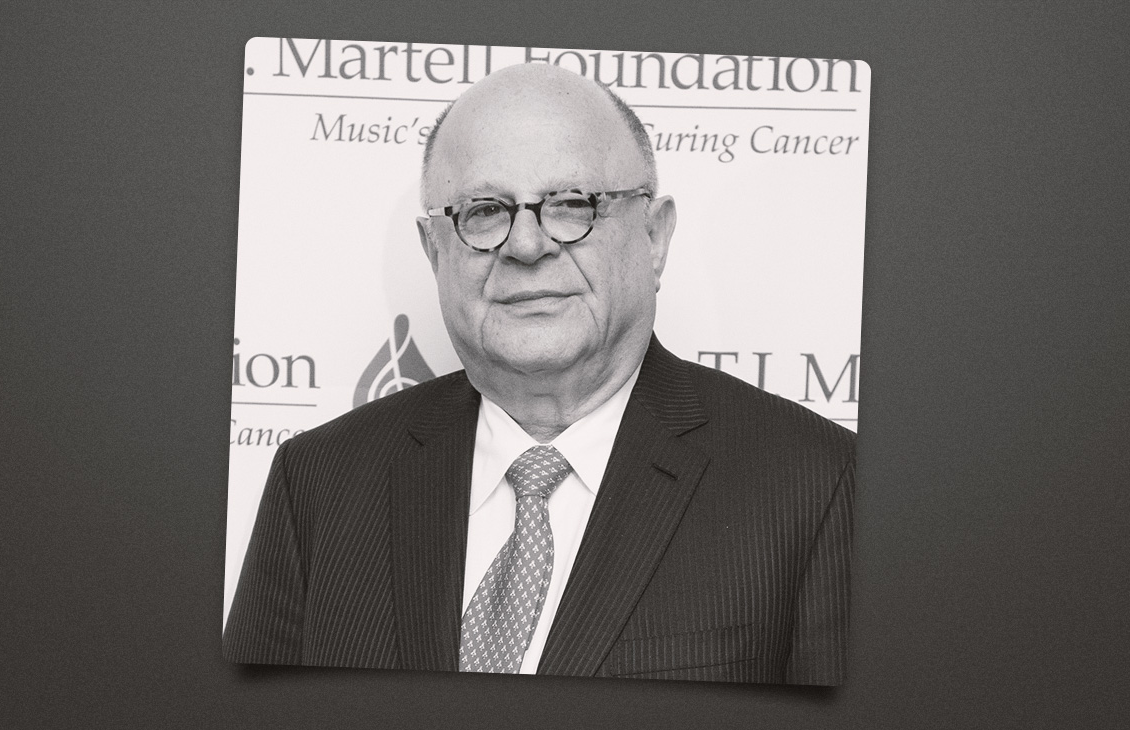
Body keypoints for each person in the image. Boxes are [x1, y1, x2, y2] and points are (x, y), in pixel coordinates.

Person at [223, 63, 855, 685]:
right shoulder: (318, 481)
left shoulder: (816, 483)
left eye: (573, 204)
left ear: (655, 237)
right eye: (484, 211)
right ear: (434, 250)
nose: (526, 246)